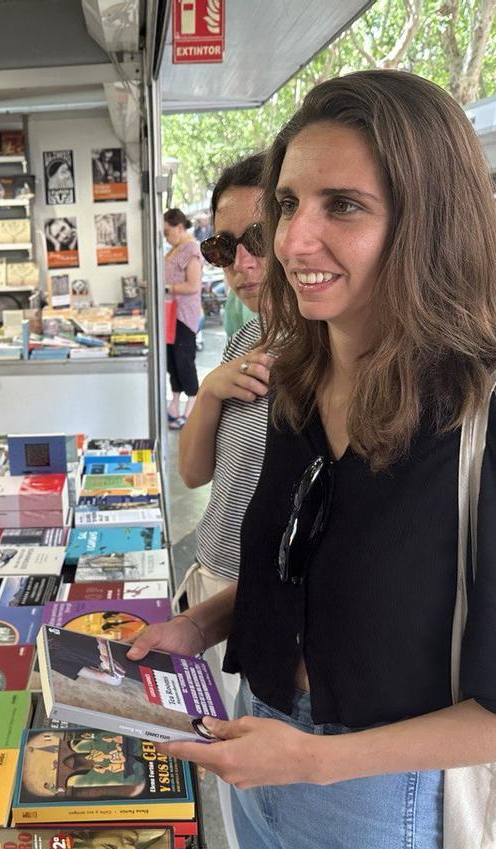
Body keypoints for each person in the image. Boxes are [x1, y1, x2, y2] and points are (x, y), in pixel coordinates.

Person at [130, 70, 496, 849]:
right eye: (289, 203)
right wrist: (206, 623)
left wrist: (322, 762)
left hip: (383, 799)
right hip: (260, 743)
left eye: (344, 206)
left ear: (427, 221)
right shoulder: (299, 374)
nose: (294, 241)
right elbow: (308, 570)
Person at [178, 152, 272, 668]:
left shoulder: (333, 356)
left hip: (265, 594)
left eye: (258, 240)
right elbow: (193, 473)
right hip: (213, 568)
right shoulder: (246, 338)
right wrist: (210, 390)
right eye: (223, 247)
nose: (242, 263)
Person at [162, 208, 203, 429]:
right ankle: (175, 403)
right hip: (170, 313)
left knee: (184, 359)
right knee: (172, 360)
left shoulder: (192, 250)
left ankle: (192, 404)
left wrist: (166, 287)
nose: (166, 236)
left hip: (184, 315)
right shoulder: (175, 249)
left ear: (179, 227)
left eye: (168, 231)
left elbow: (193, 285)